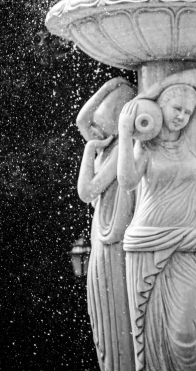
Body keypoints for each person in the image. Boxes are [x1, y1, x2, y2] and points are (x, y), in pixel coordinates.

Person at [117, 68, 196, 371]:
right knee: (148, 334)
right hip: (147, 241)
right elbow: (127, 181)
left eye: (188, 112)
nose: (182, 117)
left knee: (185, 334)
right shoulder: (145, 147)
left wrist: (150, 92)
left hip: (189, 243)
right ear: (161, 108)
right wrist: (124, 131)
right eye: (176, 108)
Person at [76, 77, 136, 371]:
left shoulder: (120, 150)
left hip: (115, 241)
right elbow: (81, 120)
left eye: (103, 120)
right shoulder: (108, 145)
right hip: (104, 236)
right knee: (102, 314)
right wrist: (109, 86)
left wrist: (89, 152)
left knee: (115, 314)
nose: (94, 129)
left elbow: (86, 191)